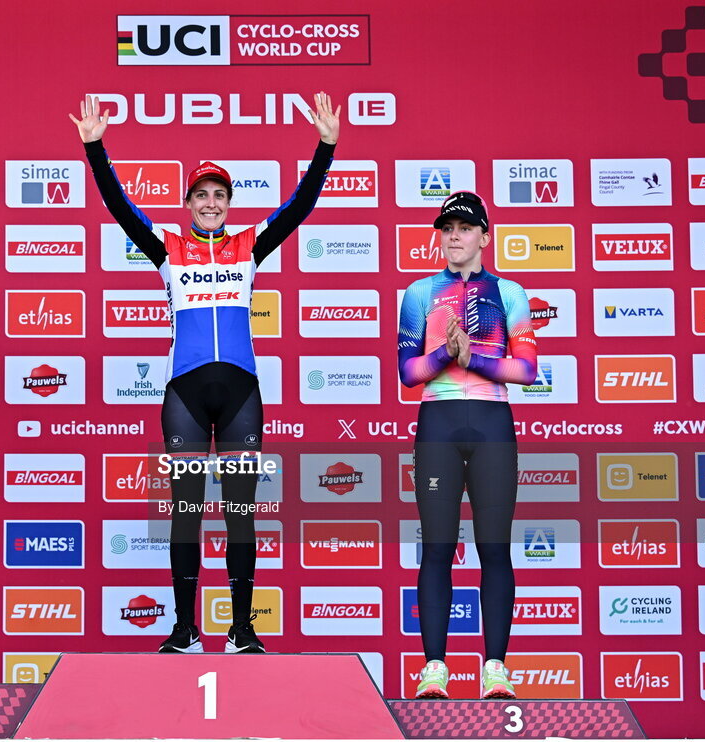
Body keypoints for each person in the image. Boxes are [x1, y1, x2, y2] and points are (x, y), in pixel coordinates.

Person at [71, 93, 339, 653]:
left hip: (240, 392)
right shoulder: (167, 247)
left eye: (220, 195)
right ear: (188, 201)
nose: (211, 203)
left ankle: (242, 629)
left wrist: (326, 146)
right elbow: (119, 206)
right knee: (186, 514)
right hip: (186, 396)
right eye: (202, 195)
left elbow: (300, 206)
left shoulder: (248, 245)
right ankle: (184, 629)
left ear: (228, 203)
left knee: (240, 514)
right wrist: (96, 148)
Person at [397, 191, 537, 699]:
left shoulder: (510, 292)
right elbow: (409, 372)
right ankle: (434, 668)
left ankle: (495, 669)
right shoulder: (417, 293)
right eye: (446, 227)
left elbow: (526, 369)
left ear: (484, 236)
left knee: (493, 549)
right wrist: (444, 353)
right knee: (436, 549)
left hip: (492, 427)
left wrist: (471, 357)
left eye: (464, 227)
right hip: (438, 425)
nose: (453, 235)